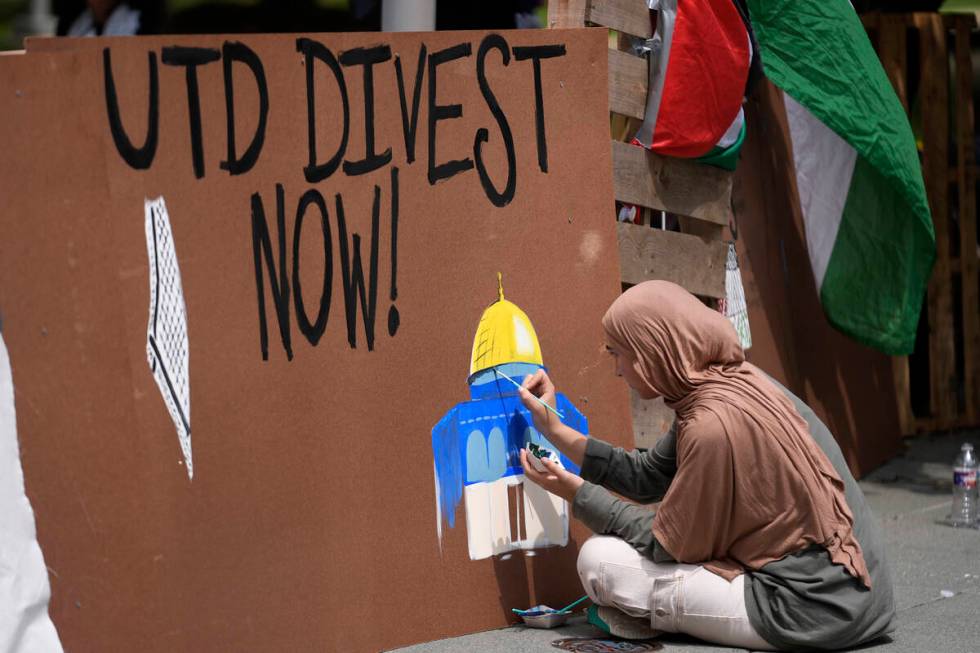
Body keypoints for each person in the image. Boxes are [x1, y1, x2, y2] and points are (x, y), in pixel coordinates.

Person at [517, 281, 895, 651]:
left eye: (617, 353)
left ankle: (655, 616)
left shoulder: (710, 424)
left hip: (807, 611)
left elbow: (666, 544)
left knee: (599, 562)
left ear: (651, 352)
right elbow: (647, 476)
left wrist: (577, 494)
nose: (616, 369)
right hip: (861, 598)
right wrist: (554, 428)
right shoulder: (731, 381)